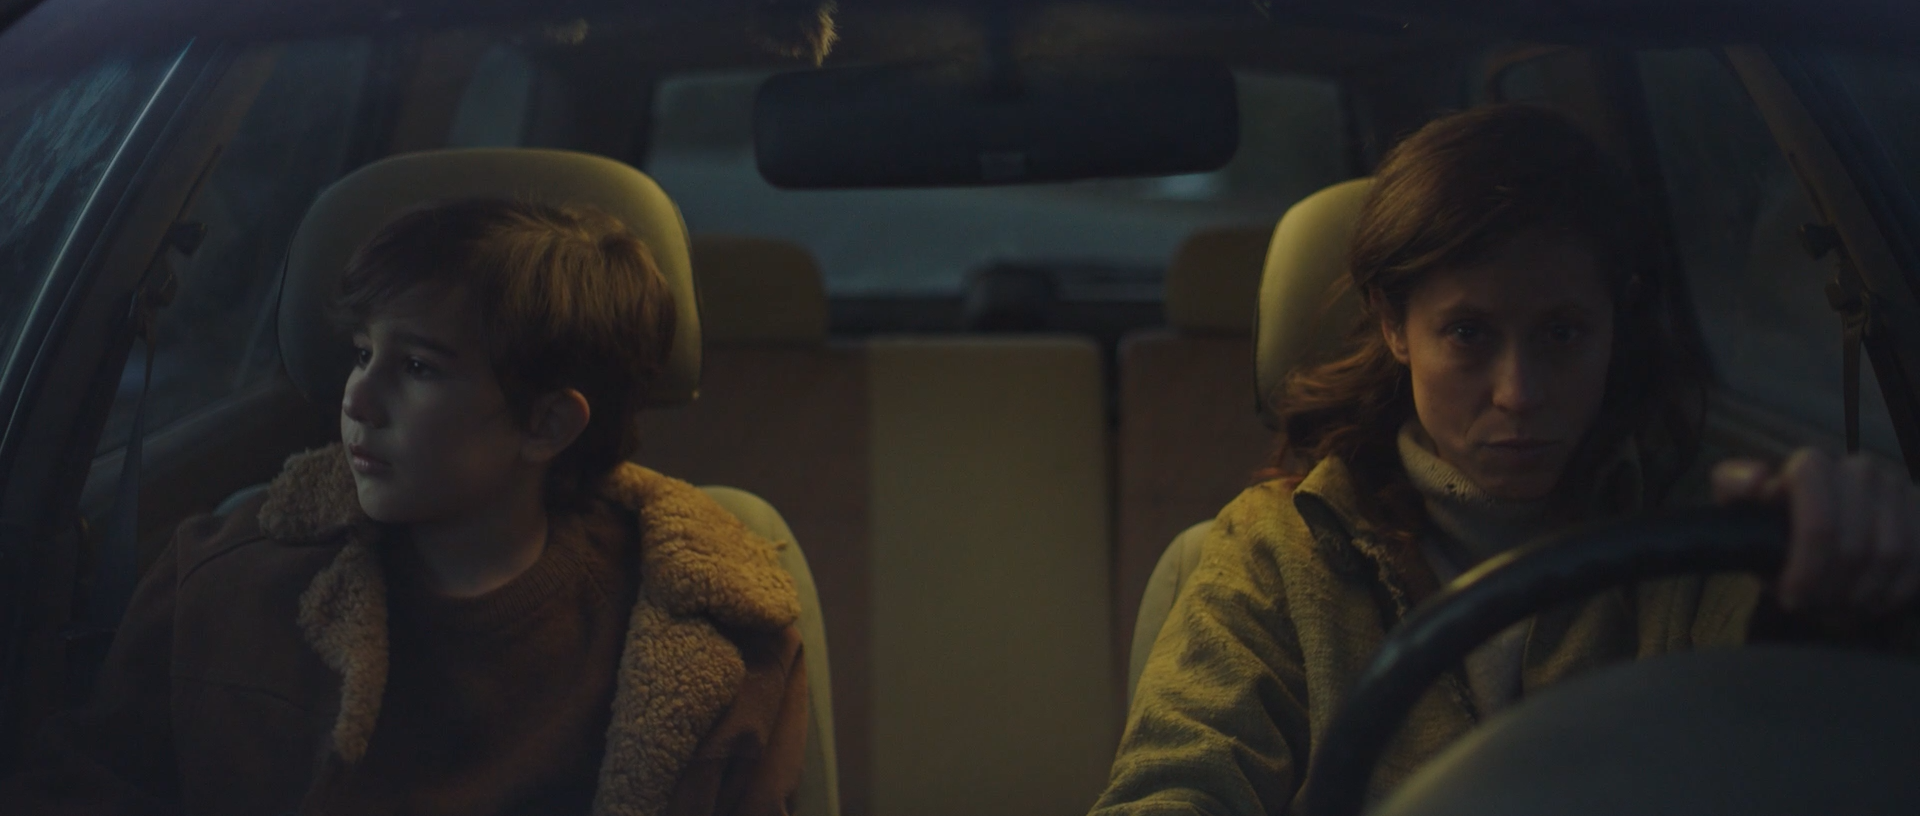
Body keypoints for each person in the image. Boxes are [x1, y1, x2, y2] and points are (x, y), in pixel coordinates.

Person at [1091, 104, 1920, 815]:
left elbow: (1801, 745)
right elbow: (1175, 786)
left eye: (1562, 333)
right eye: (1468, 333)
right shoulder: (1275, 551)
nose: (1520, 393)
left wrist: (1843, 596)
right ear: (1394, 324)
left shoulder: (1701, 538)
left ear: (1613, 324)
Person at [1, 199, 809, 816]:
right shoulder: (224, 582)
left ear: (546, 425)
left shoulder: (704, 640)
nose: (358, 397)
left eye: (418, 367)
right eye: (363, 353)